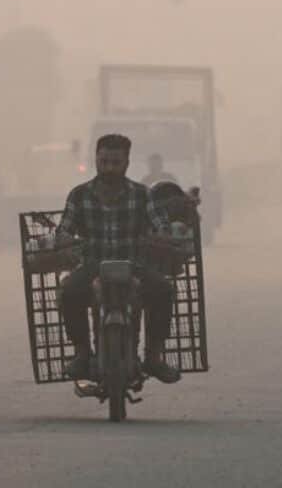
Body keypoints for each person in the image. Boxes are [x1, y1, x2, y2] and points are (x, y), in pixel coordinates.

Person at [55, 134, 181, 384]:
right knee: (68, 291)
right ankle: (82, 352)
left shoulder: (143, 194)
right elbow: (64, 229)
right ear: (96, 160)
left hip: (134, 266)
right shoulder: (79, 195)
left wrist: (163, 236)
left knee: (164, 290)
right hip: (92, 266)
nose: (109, 168)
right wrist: (63, 240)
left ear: (126, 163)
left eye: (115, 162)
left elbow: (160, 225)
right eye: (104, 162)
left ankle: (154, 357)